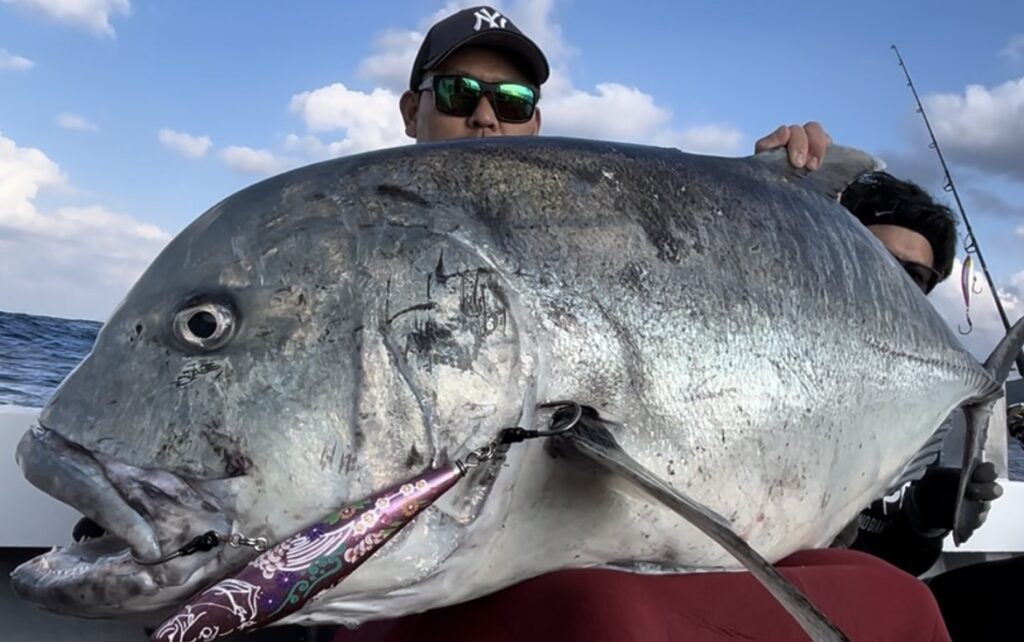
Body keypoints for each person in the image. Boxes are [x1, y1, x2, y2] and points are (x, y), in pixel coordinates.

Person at [327, 7, 956, 642]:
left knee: (908, 604)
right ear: (411, 109)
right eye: (459, 93)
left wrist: (772, 204)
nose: (487, 116)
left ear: (535, 122)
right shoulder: (346, 234)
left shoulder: (585, 232)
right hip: (415, 577)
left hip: (560, 553)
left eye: (513, 101)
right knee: (605, 616)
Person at [835, 171, 1021, 642]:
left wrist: (924, 519)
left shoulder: (923, 403)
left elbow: (900, 562)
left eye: (913, 276)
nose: (890, 283)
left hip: (861, 605)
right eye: (870, 255)